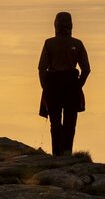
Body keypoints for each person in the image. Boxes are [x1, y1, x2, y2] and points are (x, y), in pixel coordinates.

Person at [38, 12, 90, 156]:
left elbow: (41, 68)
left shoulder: (49, 43)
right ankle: (67, 154)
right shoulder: (77, 44)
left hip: (53, 85)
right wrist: (79, 85)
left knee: (55, 123)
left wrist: (45, 87)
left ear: (56, 25)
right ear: (71, 25)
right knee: (70, 123)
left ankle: (57, 154)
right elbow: (86, 69)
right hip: (71, 85)